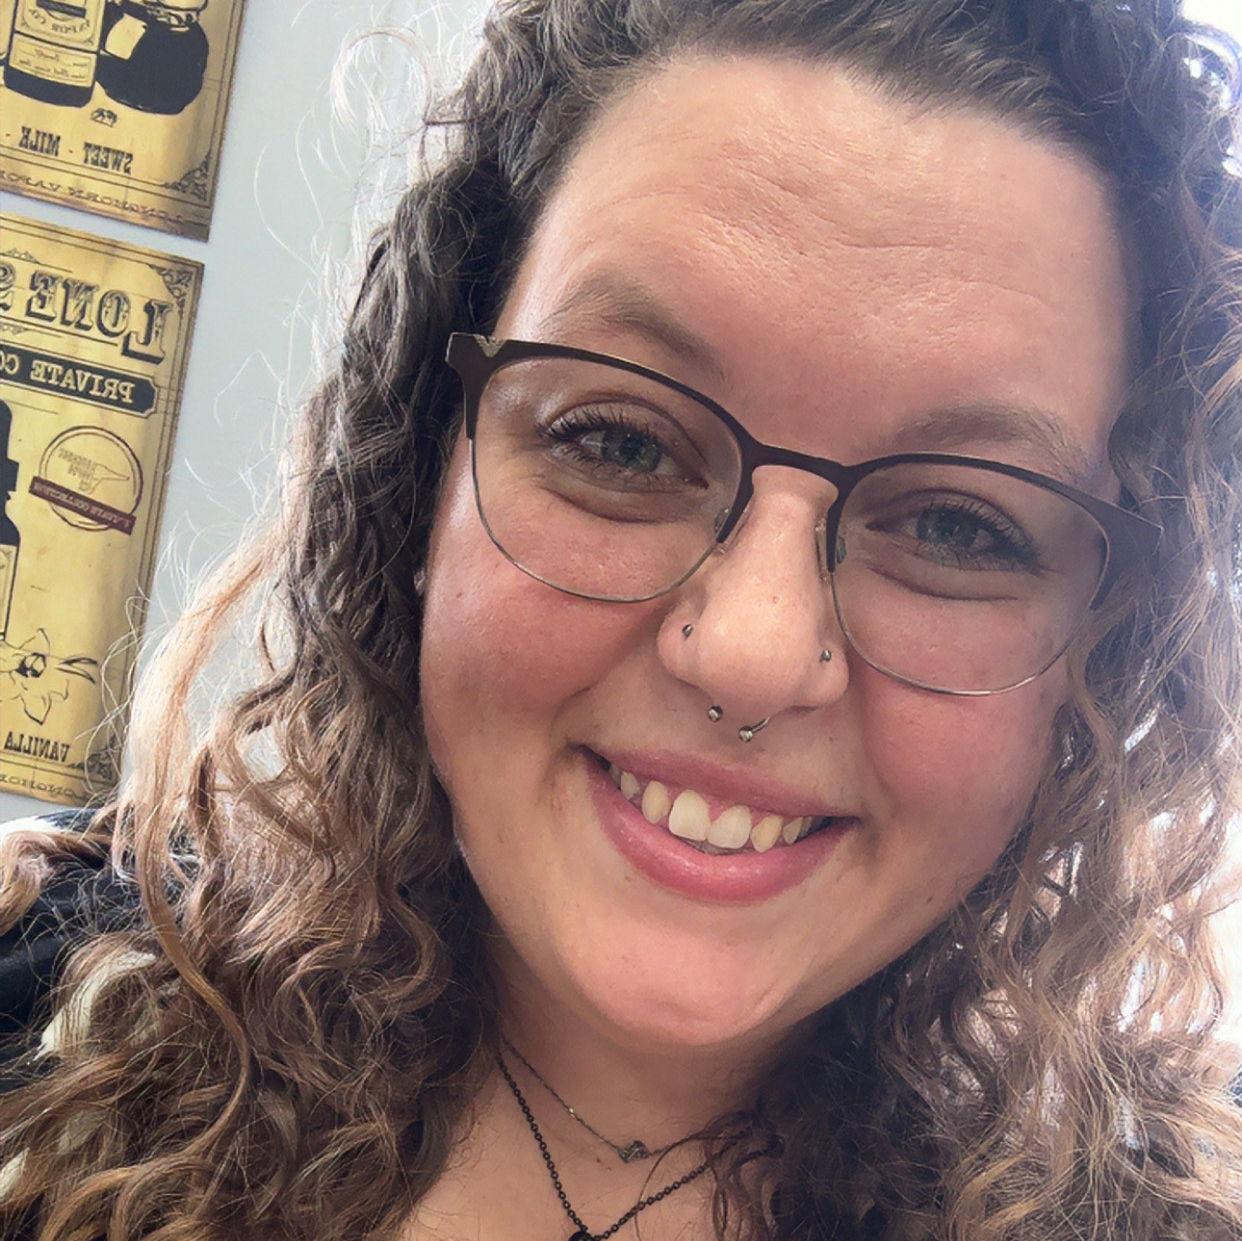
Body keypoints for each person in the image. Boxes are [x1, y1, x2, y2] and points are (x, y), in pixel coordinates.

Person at [1, 0, 1241, 1237]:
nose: (752, 651)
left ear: (1104, 646)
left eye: (959, 527)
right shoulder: (46, 1016)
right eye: (620, 442)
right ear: (424, 473)